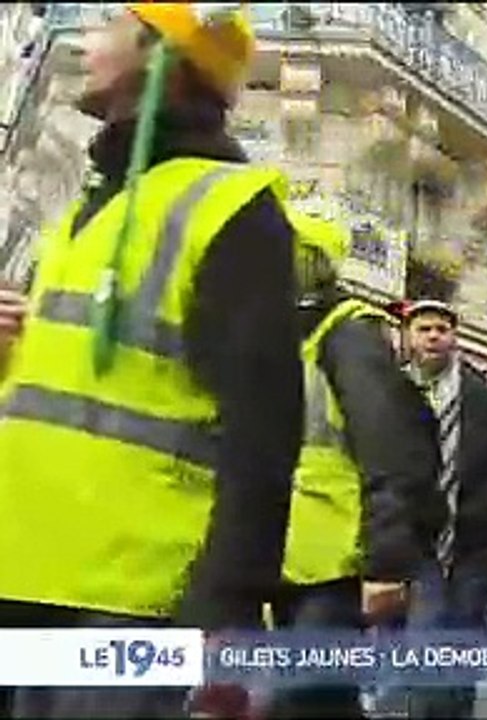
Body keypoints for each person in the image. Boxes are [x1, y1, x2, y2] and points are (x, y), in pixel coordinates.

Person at [0, 6, 302, 718]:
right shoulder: (89, 209)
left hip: (130, 603)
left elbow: (264, 429)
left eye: (111, 20)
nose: (88, 38)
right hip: (21, 575)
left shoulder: (232, 208)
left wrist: (226, 608)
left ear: (157, 56)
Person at [265, 212, 446, 719]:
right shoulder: (287, 341)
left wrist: (385, 565)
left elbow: (391, 454)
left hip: (337, 562)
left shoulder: (349, 338)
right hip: (287, 561)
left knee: (303, 698)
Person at [401, 298, 487, 720]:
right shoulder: (393, 394)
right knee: (425, 646)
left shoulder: (485, 400)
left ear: (455, 338)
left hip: (473, 547)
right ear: (408, 337)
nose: (434, 336)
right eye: (424, 329)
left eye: (442, 329)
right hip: (417, 544)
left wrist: (481, 513)